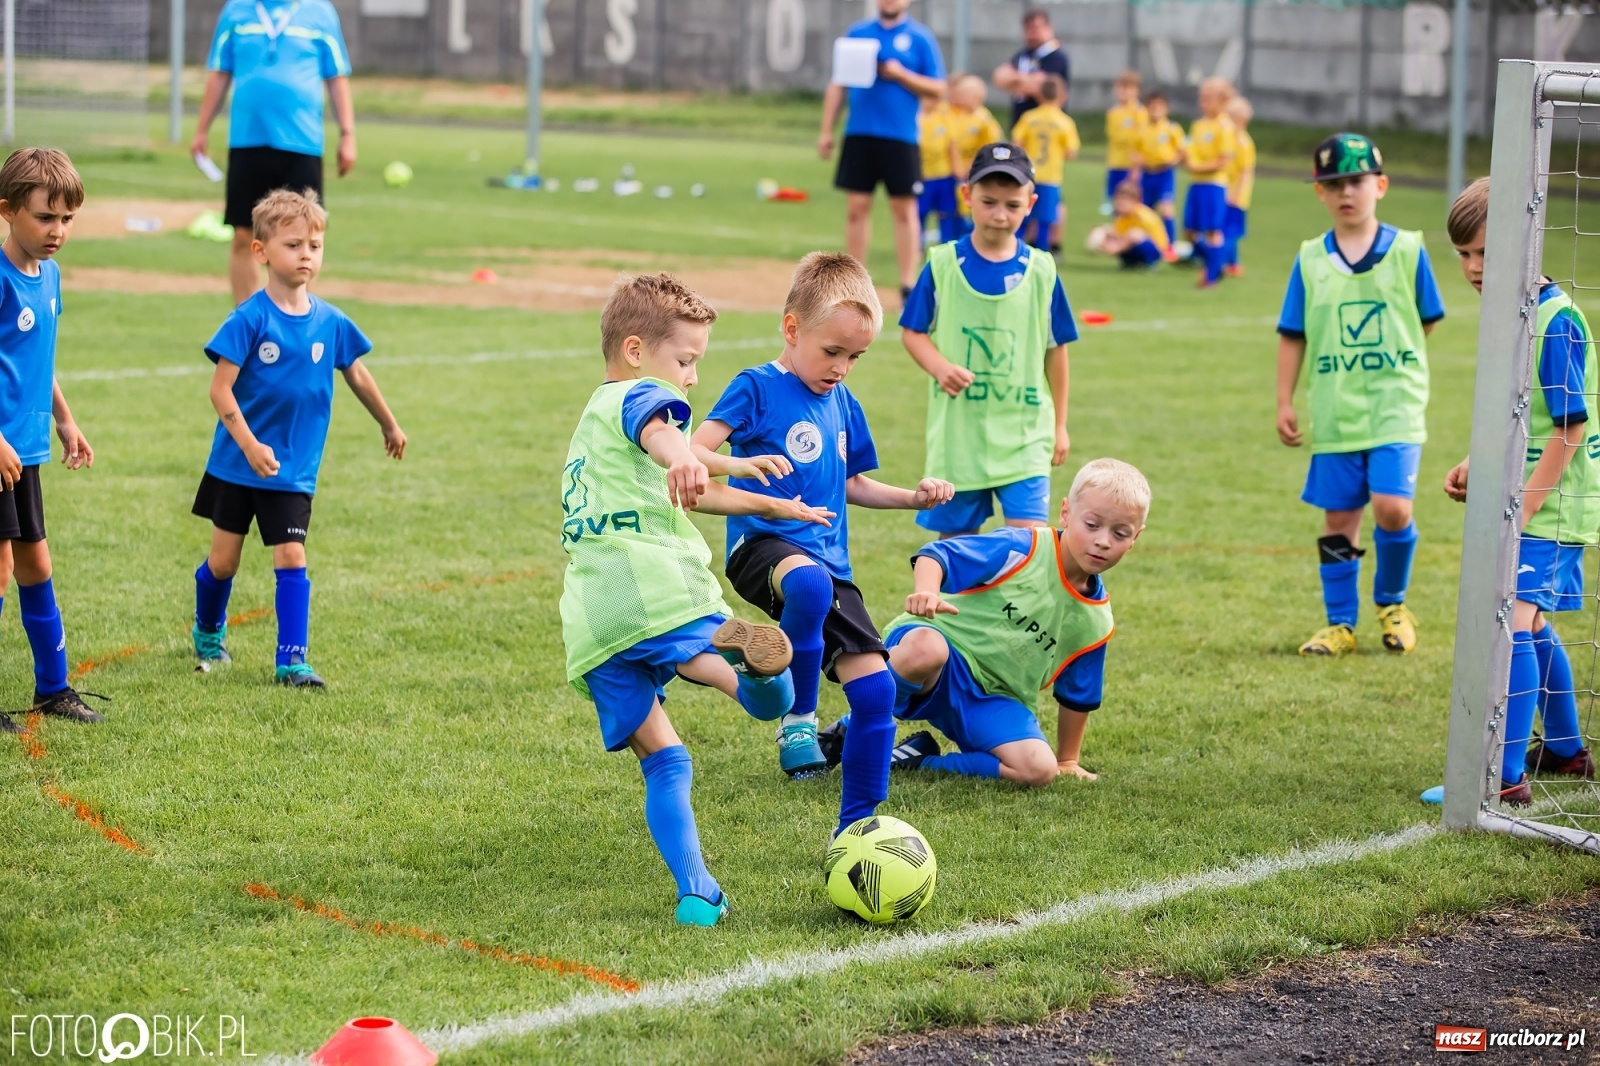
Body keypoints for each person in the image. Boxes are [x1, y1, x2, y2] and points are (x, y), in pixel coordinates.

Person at [560, 273, 833, 926]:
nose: (689, 378)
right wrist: (685, 455)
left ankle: (698, 892)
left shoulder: (592, 427)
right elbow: (662, 432)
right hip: (658, 585)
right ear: (635, 350)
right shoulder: (642, 397)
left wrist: (762, 496)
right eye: (686, 361)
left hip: (595, 619)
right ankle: (756, 683)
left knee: (664, 759)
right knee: (712, 657)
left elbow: (689, 485)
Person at [690, 253, 954, 837]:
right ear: (792, 329)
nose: (841, 367)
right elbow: (694, 450)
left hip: (832, 567)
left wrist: (913, 498)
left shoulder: (843, 404)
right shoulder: (756, 387)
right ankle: (799, 720)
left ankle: (859, 827)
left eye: (855, 357)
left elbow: (854, 483)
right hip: (762, 547)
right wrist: (742, 464)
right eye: (831, 352)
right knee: (806, 582)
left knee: (878, 691)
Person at [190, 189, 405, 687]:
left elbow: (357, 375)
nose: (306, 254)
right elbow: (220, 390)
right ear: (260, 252)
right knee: (223, 563)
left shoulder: (330, 321)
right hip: (237, 465)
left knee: (292, 555)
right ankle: (207, 631)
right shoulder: (249, 318)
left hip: (293, 469)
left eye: (314, 245)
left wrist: (388, 422)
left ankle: (292, 660)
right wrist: (248, 444)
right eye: (293, 245)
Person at [1439, 178, 1597, 806]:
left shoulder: (1555, 321)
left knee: (1512, 624)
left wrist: (1524, 502)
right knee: (1531, 626)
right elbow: (1517, 410)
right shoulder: (1511, 308)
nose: (1474, 268)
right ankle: (1566, 748)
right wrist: (1477, 459)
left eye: (1486, 253)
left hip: (1553, 504)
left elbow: (1569, 426)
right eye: (1463, 255)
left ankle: (1501, 778)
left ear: (1527, 242)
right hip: (1528, 497)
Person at [862, 459, 1148, 785]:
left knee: (1038, 769)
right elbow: (937, 555)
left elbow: (1077, 695)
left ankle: (919, 763)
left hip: (995, 698)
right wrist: (926, 592)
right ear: (1066, 513)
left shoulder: (1096, 621)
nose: (1104, 541)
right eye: (1093, 525)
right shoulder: (1023, 547)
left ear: (1135, 538)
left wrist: (1067, 760)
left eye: (1120, 533)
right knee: (926, 648)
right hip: (942, 657)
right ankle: (855, 724)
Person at [1275, 133, 1444, 658]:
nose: (1346, 191)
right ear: (1320, 194)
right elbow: (1292, 333)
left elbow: (1425, 320)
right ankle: (1339, 625)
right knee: (1338, 520)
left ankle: (1393, 605)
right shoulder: (1308, 260)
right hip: (1336, 413)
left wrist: (1393, 363)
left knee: (1393, 508)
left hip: (1395, 409)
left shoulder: (1409, 250)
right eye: (1333, 183)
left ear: (1381, 185)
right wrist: (1285, 399)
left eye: (1356, 180)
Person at [900, 143, 1076, 541]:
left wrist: (1060, 425)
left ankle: (1019, 608)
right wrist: (940, 367)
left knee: (1029, 545)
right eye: (989, 202)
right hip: (960, 438)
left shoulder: (1042, 271)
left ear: (1031, 203)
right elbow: (912, 332)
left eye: (1012, 205)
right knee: (957, 550)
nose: (1000, 214)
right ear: (967, 197)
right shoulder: (943, 264)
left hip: (1025, 433)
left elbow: (1056, 349)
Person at [0, 149, 100, 735]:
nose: (57, 231)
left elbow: (41, 361)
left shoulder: (51, 275)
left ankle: (53, 688)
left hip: (28, 450)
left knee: (37, 564)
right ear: (8, 212)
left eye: (66, 219)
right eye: (45, 218)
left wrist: (64, 419)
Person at [192, 0, 357, 307]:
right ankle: (248, 326)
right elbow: (219, 73)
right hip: (247, 140)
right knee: (243, 234)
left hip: (302, 142)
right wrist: (202, 129)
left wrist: (347, 135)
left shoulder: (320, 12)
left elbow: (336, 77)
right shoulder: (236, 11)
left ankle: (297, 321)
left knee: (304, 236)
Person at [818, 0, 947, 302]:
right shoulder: (858, 33)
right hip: (859, 133)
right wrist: (826, 130)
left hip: (900, 136)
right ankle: (855, 283)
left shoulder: (919, 38)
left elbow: (938, 89)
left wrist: (901, 74)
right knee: (857, 208)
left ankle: (907, 284)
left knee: (904, 210)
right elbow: (839, 84)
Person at [1010, 78, 1079, 252]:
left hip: (1028, 176)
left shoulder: (1029, 117)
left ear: (1039, 96)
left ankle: (1013, 249)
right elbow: (1071, 152)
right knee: (1046, 219)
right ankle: (1042, 252)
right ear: (1062, 97)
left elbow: (1017, 143)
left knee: (1023, 215)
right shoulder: (1065, 121)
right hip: (1050, 177)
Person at [1182, 77, 1237, 289]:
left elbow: (1223, 160)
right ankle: (1217, 262)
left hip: (1214, 185)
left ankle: (1211, 277)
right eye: (1202, 98)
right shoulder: (1198, 125)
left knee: (1213, 231)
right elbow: (1190, 150)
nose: (1203, 103)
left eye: (1209, 99)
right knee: (1189, 231)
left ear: (1223, 102)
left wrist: (1197, 167)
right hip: (1196, 184)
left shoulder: (1224, 126)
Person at [992, 8, 1071, 127]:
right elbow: (999, 78)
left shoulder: (1056, 57)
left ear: (1049, 29)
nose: (1032, 34)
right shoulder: (1023, 54)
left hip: (1047, 126)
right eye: (1028, 29)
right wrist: (1027, 80)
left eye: (1036, 29)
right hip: (1020, 123)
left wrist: (1015, 81)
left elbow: (1041, 87)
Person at [1135, 92, 1184, 246]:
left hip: (1164, 173)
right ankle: (1149, 242)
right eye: (1151, 106)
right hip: (1147, 173)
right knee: (1145, 211)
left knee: (1165, 208)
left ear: (1166, 109)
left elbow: (1181, 150)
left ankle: (1170, 245)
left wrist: (1173, 160)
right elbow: (1135, 151)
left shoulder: (1171, 128)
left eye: (1158, 106)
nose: (1154, 110)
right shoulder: (1141, 129)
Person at [1092, 179, 1171, 268]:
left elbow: (1142, 237)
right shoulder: (1121, 218)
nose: (1120, 203)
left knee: (1134, 233)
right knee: (1105, 231)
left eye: (1124, 200)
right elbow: (1119, 234)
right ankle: (1131, 262)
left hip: (1154, 251)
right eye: (1118, 200)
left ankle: (1148, 262)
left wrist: (1114, 247)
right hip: (1132, 249)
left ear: (1134, 201)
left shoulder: (1142, 216)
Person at [917, 90, 961, 246]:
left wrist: (957, 169)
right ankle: (916, 245)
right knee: (919, 212)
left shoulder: (944, 117)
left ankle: (947, 243)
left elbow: (952, 144)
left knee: (946, 212)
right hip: (922, 176)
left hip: (944, 175)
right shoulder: (915, 117)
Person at [1103, 71, 1148, 216]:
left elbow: (1141, 143)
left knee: (1132, 205)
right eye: (1121, 87)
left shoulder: (1140, 112)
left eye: (1128, 88)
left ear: (1137, 91)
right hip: (1115, 164)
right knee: (1116, 203)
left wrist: (1136, 168)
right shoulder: (1113, 113)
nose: (1124, 92)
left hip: (1130, 166)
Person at [1222, 96, 1257, 278]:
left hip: (1236, 197)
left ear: (1241, 120)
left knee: (1230, 233)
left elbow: (1246, 172)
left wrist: (1236, 194)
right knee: (1224, 230)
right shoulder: (1229, 140)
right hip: (1224, 192)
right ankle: (1232, 264)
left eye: (1230, 118)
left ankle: (1224, 263)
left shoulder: (1244, 143)